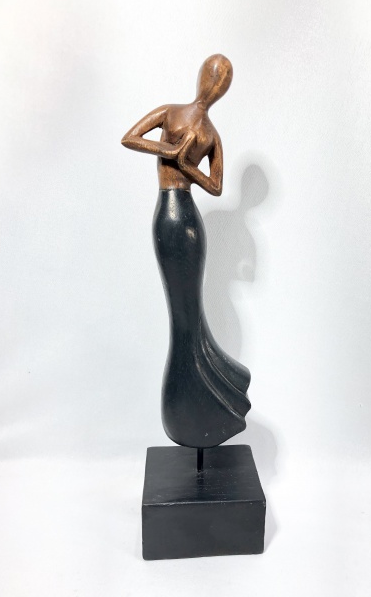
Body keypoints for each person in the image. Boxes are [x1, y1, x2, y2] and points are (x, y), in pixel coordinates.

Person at [121, 54, 251, 448]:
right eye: (213, 75)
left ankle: (198, 411)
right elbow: (130, 138)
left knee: (190, 313)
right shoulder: (171, 112)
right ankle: (190, 407)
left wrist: (185, 164)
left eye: (222, 81)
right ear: (201, 76)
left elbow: (215, 186)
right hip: (170, 216)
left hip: (189, 221)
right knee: (182, 317)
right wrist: (170, 152)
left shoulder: (211, 135)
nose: (214, 84)